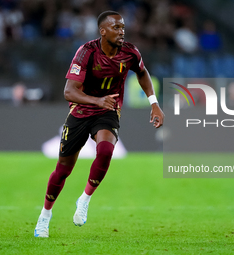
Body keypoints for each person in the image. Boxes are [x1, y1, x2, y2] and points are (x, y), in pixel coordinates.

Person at [34, 10, 164, 238]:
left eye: (123, 27)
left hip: (108, 112)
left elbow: (142, 73)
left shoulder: (130, 52)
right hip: (81, 111)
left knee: (105, 150)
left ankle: (84, 199)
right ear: (103, 31)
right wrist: (97, 100)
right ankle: (45, 215)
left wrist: (154, 103)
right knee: (63, 169)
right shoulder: (86, 53)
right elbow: (69, 91)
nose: (122, 32)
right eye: (116, 28)